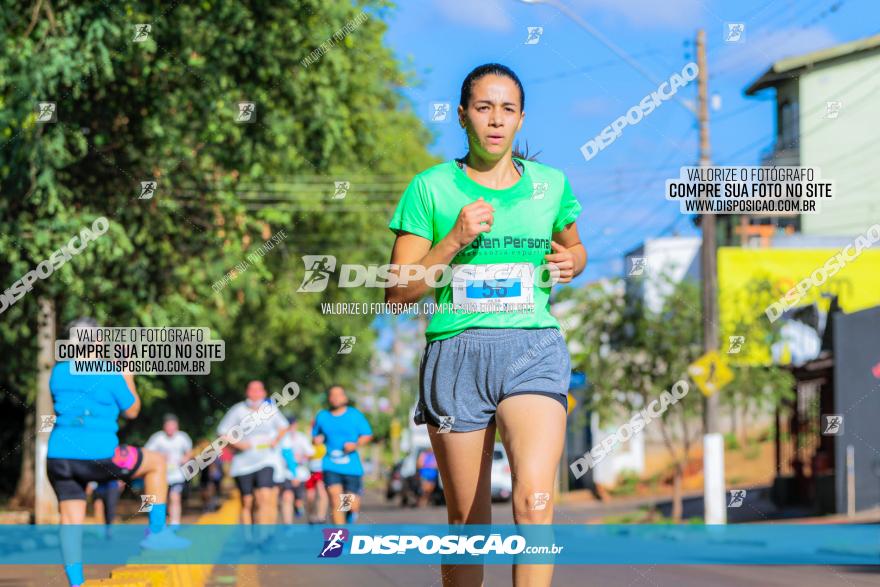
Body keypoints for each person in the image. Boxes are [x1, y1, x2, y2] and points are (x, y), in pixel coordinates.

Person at [385, 63, 586, 587]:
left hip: (532, 349)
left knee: (534, 502)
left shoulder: (550, 186)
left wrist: (573, 263)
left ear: (521, 120)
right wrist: (452, 239)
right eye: (483, 107)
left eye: (507, 109)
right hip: (457, 356)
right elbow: (398, 292)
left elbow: (575, 247)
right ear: (461, 116)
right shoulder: (430, 188)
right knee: (469, 523)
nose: (495, 120)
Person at [47, 318, 189, 587]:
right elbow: (132, 410)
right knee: (156, 461)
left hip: (59, 457)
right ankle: (157, 532)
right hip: (100, 456)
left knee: (70, 520)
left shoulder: (59, 372)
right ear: (97, 341)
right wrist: (128, 372)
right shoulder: (109, 372)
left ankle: (76, 584)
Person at [216, 380, 288, 529]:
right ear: (247, 392)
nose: (255, 393)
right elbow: (222, 432)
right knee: (247, 501)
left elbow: (283, 427)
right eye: (252, 389)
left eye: (258, 390)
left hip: (267, 459)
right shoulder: (238, 410)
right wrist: (237, 444)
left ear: (264, 393)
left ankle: (263, 537)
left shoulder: (270, 409)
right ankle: (248, 537)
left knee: (264, 496)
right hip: (243, 463)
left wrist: (276, 440)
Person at [312, 385, 373, 524]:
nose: (335, 398)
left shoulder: (354, 414)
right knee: (336, 500)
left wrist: (355, 444)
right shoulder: (322, 416)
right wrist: (317, 440)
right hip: (330, 464)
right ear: (329, 398)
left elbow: (367, 435)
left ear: (344, 397)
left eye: (339, 395)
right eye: (332, 395)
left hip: (352, 466)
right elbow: (315, 436)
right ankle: (339, 540)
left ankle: (349, 515)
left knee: (350, 504)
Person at [145, 414, 193, 526]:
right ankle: (156, 523)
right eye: (168, 425)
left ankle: (175, 524)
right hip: (159, 475)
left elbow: (190, 452)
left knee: (175, 497)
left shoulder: (183, 437)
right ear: (164, 426)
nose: (171, 428)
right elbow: (147, 453)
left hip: (176, 475)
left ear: (177, 426)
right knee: (156, 499)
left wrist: (186, 458)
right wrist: (159, 456)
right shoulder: (157, 438)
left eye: (173, 425)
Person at [278, 414, 314, 524]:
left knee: (300, 500)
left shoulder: (302, 437)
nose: (291, 428)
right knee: (287, 497)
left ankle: (305, 512)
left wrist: (301, 457)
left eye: (292, 425)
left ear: (296, 425)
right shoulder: (281, 439)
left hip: (302, 474)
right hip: (286, 473)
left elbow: (310, 453)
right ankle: (287, 525)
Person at [305, 433, 328, 524]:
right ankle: (311, 515)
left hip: (321, 473)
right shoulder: (309, 446)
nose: (317, 439)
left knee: (321, 491)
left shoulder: (326, 447)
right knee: (310, 496)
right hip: (310, 473)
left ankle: (321, 516)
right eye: (316, 436)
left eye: (320, 437)